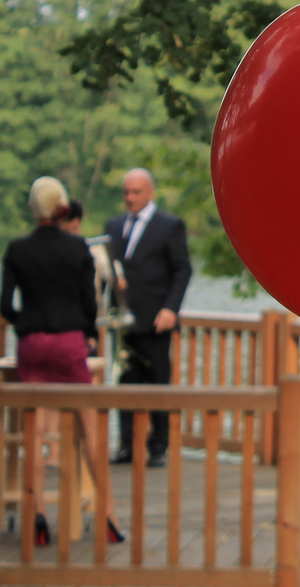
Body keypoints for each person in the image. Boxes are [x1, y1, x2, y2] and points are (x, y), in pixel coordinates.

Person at [0, 177, 123, 545]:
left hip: (33, 343)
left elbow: (6, 305)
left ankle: (37, 515)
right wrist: (82, 332)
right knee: (90, 430)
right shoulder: (77, 249)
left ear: (33, 208)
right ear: (62, 207)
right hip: (70, 343)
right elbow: (89, 306)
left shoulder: (17, 249)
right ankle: (108, 514)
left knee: (34, 436)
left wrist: (28, 326)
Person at [104, 168, 191, 467]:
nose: (130, 198)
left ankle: (158, 447)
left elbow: (182, 269)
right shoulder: (113, 227)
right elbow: (106, 270)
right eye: (126, 192)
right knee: (125, 383)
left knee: (157, 383)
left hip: (157, 320)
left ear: (150, 192)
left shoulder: (169, 225)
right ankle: (127, 443)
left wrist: (170, 309)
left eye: (136, 192)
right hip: (123, 320)